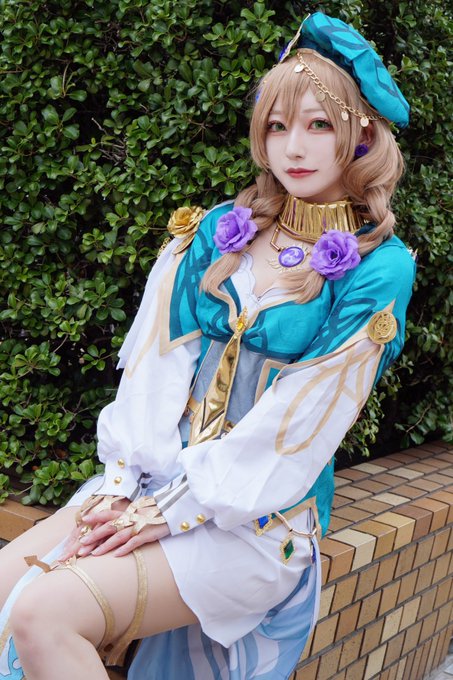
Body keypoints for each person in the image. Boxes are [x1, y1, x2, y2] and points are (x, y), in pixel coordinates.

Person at [0, 12, 415, 680]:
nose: (293, 147)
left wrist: (170, 512)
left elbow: (301, 424)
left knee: (44, 613)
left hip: (261, 518)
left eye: (318, 125)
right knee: (5, 587)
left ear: (361, 134)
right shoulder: (222, 228)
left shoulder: (379, 268)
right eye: (276, 126)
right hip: (154, 484)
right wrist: (120, 486)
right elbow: (156, 366)